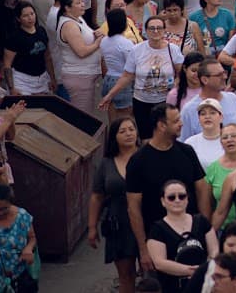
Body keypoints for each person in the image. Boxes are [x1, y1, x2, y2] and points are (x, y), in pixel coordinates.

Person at [127, 105, 211, 275]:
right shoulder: (139, 161)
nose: (181, 124)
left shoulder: (186, 152)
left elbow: (202, 189)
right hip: (158, 240)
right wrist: (143, 249)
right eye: (176, 121)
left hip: (191, 236)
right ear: (161, 125)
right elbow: (133, 208)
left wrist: (205, 227)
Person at [90, 117, 142, 293]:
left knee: (150, 273)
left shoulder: (146, 156)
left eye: (131, 129)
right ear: (114, 137)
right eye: (123, 131)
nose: (128, 134)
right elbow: (97, 197)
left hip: (147, 220)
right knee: (126, 275)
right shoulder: (106, 163)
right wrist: (92, 227)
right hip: (118, 223)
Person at [146, 177, 217, 293]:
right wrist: (191, 271)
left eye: (182, 196)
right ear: (163, 201)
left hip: (204, 285)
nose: (177, 200)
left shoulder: (202, 222)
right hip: (172, 287)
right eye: (171, 197)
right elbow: (160, 263)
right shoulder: (157, 229)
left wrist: (203, 270)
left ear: (187, 199)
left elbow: (214, 251)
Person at [0, 181, 36, 293]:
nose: (0, 213)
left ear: (11, 203)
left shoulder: (22, 216)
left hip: (19, 278)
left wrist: (28, 248)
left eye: (4, 208)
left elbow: (32, 237)